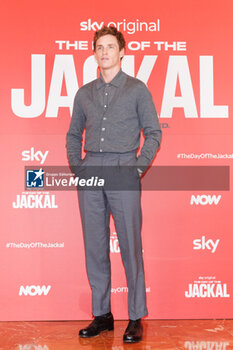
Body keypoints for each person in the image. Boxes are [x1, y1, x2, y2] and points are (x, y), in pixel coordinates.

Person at [66, 25, 161, 343]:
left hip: (124, 167)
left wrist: (135, 169)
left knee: (131, 246)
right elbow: (72, 134)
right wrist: (79, 167)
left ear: (122, 51)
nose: (104, 52)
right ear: (94, 54)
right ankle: (102, 315)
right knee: (94, 246)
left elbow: (154, 132)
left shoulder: (137, 89)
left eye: (110, 46)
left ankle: (135, 317)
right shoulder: (84, 93)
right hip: (91, 167)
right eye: (99, 47)